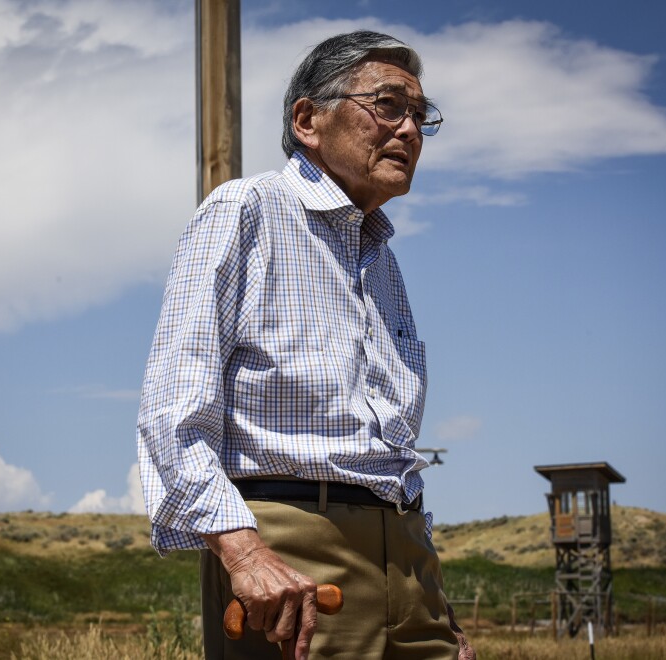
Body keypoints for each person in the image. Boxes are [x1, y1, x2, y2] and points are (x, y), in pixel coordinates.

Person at [138, 30, 475, 660]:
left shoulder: (384, 262)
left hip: (407, 569)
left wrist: (435, 603)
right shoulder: (248, 209)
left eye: (420, 115)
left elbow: (387, 453)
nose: (409, 130)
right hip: (292, 565)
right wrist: (243, 551)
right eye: (388, 106)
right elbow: (173, 406)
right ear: (308, 120)